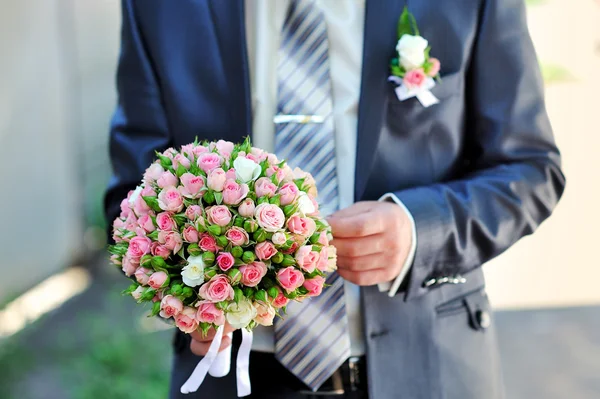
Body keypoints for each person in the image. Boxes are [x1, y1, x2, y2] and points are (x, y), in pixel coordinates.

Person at [104, 0, 565, 398]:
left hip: (426, 365)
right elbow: (132, 196)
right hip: (234, 376)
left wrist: (417, 230)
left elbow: (529, 168)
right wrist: (188, 288)